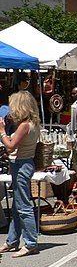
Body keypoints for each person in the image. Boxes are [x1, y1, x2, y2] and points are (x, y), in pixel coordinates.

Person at [0, 91, 42, 258]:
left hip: (21, 164)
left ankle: (31, 243)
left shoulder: (24, 125)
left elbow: (10, 146)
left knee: (23, 206)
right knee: (18, 206)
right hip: (25, 162)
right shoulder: (33, 123)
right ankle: (12, 240)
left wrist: (2, 131)